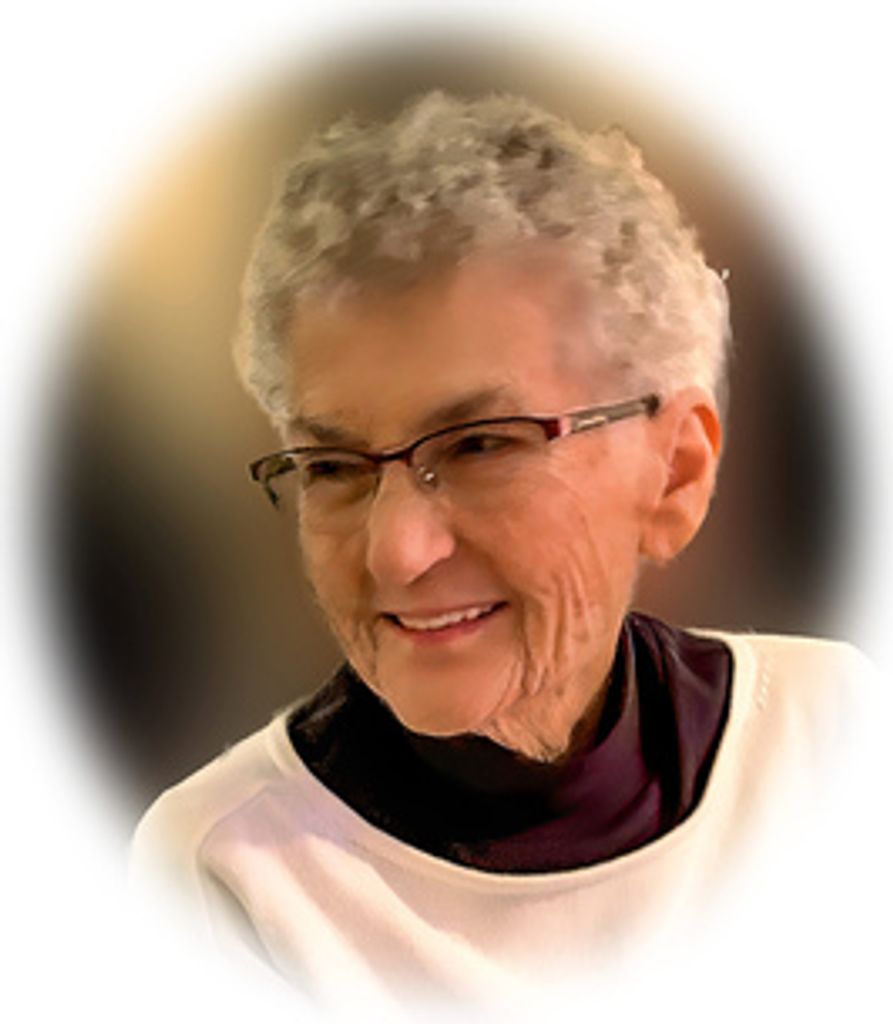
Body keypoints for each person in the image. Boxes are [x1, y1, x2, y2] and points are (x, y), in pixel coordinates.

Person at [130, 91, 878, 1018]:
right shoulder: (227, 878)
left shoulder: (826, 739)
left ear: (675, 473)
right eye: (332, 466)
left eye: (481, 445)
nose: (397, 554)